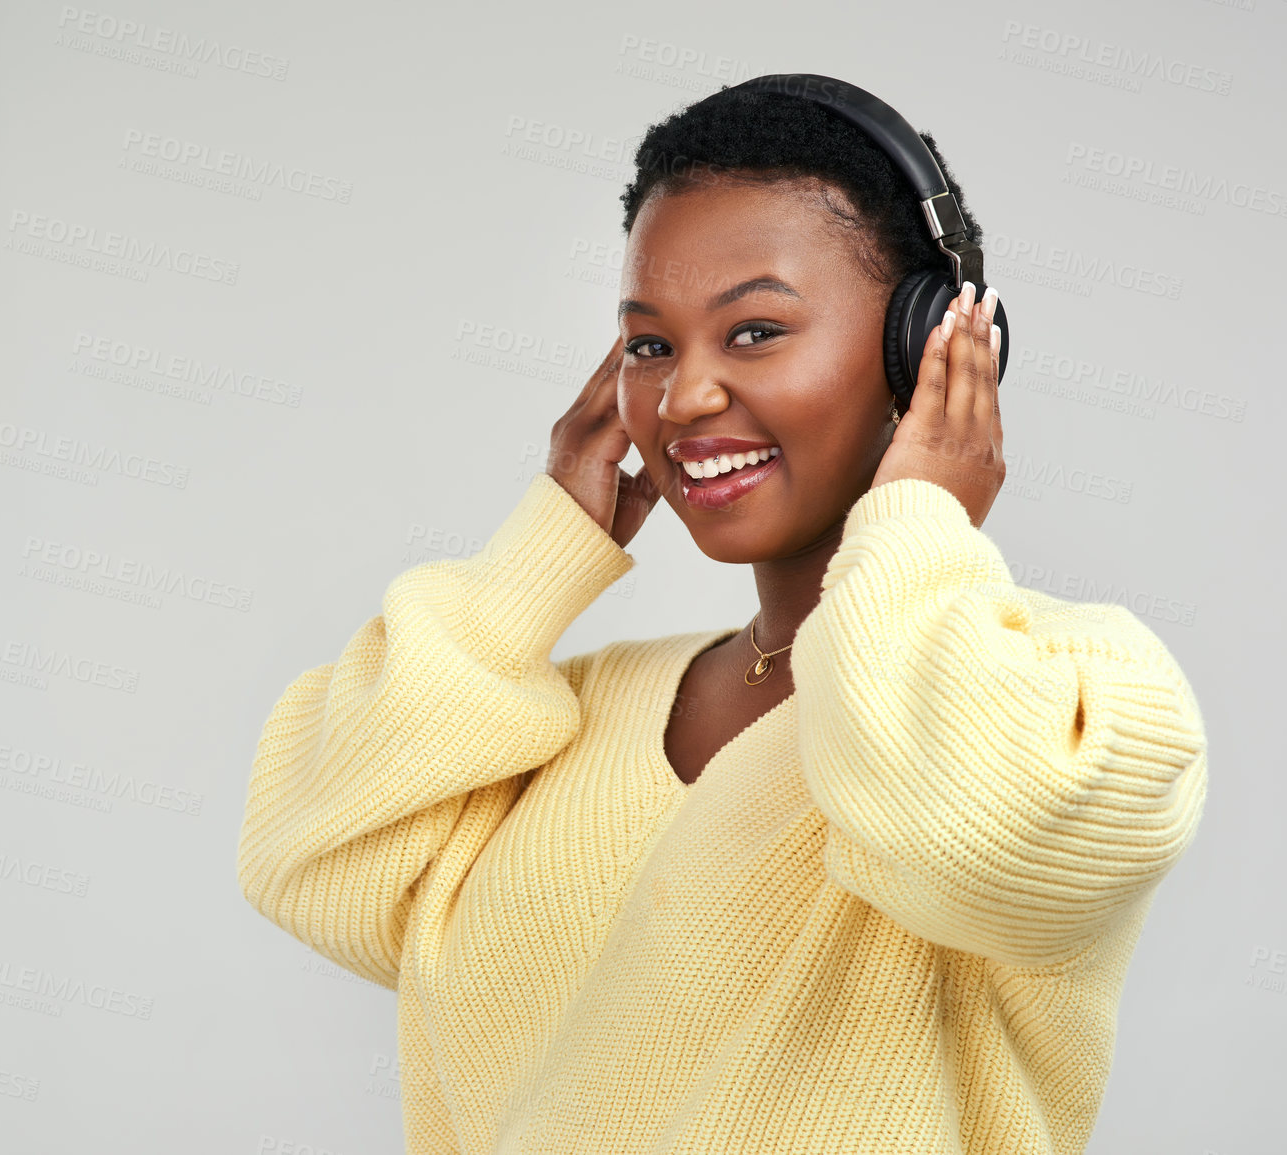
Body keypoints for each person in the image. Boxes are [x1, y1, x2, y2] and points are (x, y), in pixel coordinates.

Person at [238, 80, 1208, 1154]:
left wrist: (921, 517)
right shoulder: (581, 711)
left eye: (753, 331)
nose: (685, 396)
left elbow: (959, 831)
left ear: (924, 349)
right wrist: (543, 551)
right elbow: (316, 864)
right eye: (650, 346)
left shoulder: (1078, 692)